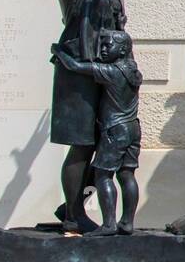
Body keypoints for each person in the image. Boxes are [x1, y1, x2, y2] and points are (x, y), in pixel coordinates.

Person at [48, 0, 154, 233]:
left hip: (104, 69)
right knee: (83, 142)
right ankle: (73, 215)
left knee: (106, 142)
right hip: (77, 66)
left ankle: (74, 203)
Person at [51, 30, 142, 237]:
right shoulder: (133, 70)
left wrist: (59, 52)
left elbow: (76, 66)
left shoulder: (111, 71)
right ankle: (127, 222)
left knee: (103, 175)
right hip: (133, 128)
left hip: (114, 129)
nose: (102, 49)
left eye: (107, 45)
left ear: (122, 49)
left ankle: (109, 224)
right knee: (127, 174)